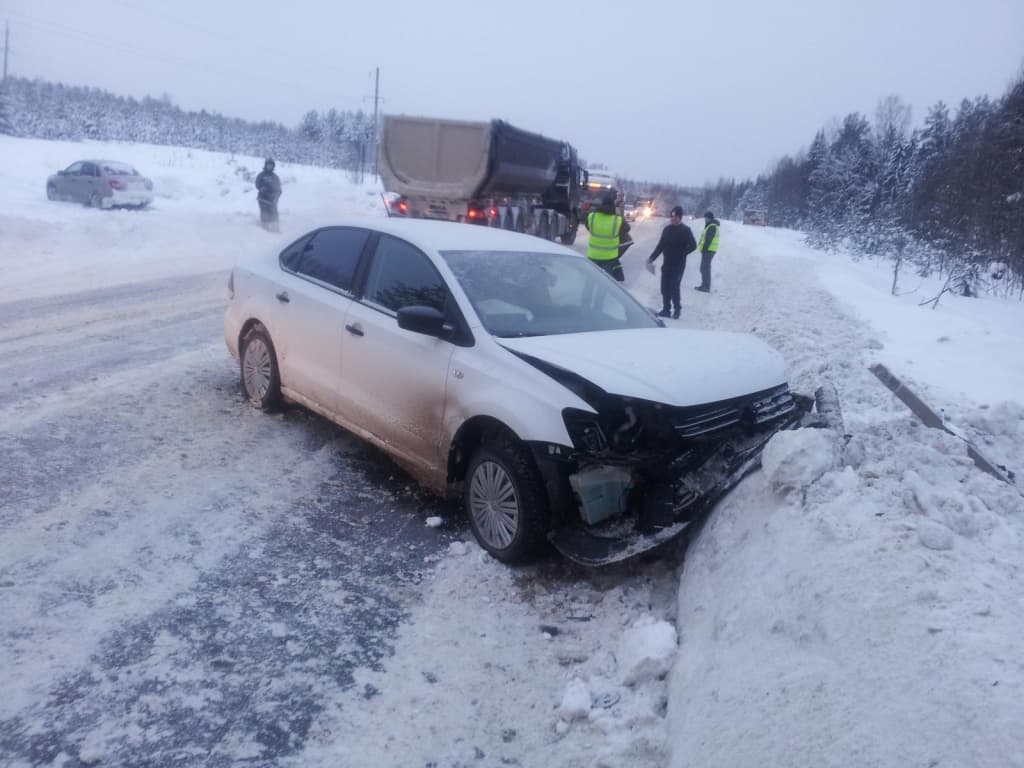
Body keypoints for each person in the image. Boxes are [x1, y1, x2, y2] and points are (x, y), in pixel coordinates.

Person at [646, 205, 697, 318]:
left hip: (678, 264)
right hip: (667, 263)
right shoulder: (667, 229)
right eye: (672, 216)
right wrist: (651, 258)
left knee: (674, 286)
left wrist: (682, 253)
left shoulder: (685, 230)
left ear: (680, 217)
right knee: (664, 287)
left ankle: (677, 309)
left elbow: (693, 246)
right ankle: (666, 309)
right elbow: (660, 246)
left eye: (675, 217)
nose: (673, 219)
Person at [584, 192, 632, 281]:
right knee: (605, 282)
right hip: (609, 258)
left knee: (590, 281)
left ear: (602, 204)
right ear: (613, 206)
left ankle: (587, 294)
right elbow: (627, 228)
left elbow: (588, 226)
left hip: (593, 255)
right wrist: (618, 215)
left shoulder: (592, 216)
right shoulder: (617, 220)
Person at [694, 210, 720, 292]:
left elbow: (708, 240)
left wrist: (704, 249)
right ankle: (705, 285)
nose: (704, 219)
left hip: (708, 250)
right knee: (705, 268)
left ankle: (705, 287)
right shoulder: (710, 225)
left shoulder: (712, 226)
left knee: (704, 268)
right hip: (708, 250)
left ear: (709, 218)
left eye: (706, 217)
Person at [255, 158, 282, 232]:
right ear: (265, 165)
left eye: (271, 165)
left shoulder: (275, 177)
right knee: (264, 214)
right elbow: (257, 184)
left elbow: (279, 189)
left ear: (273, 166)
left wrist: (276, 196)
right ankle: (264, 232)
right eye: (268, 165)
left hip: (272, 200)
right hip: (262, 199)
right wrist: (261, 188)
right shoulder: (261, 175)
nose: (269, 166)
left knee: (274, 215)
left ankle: (275, 230)